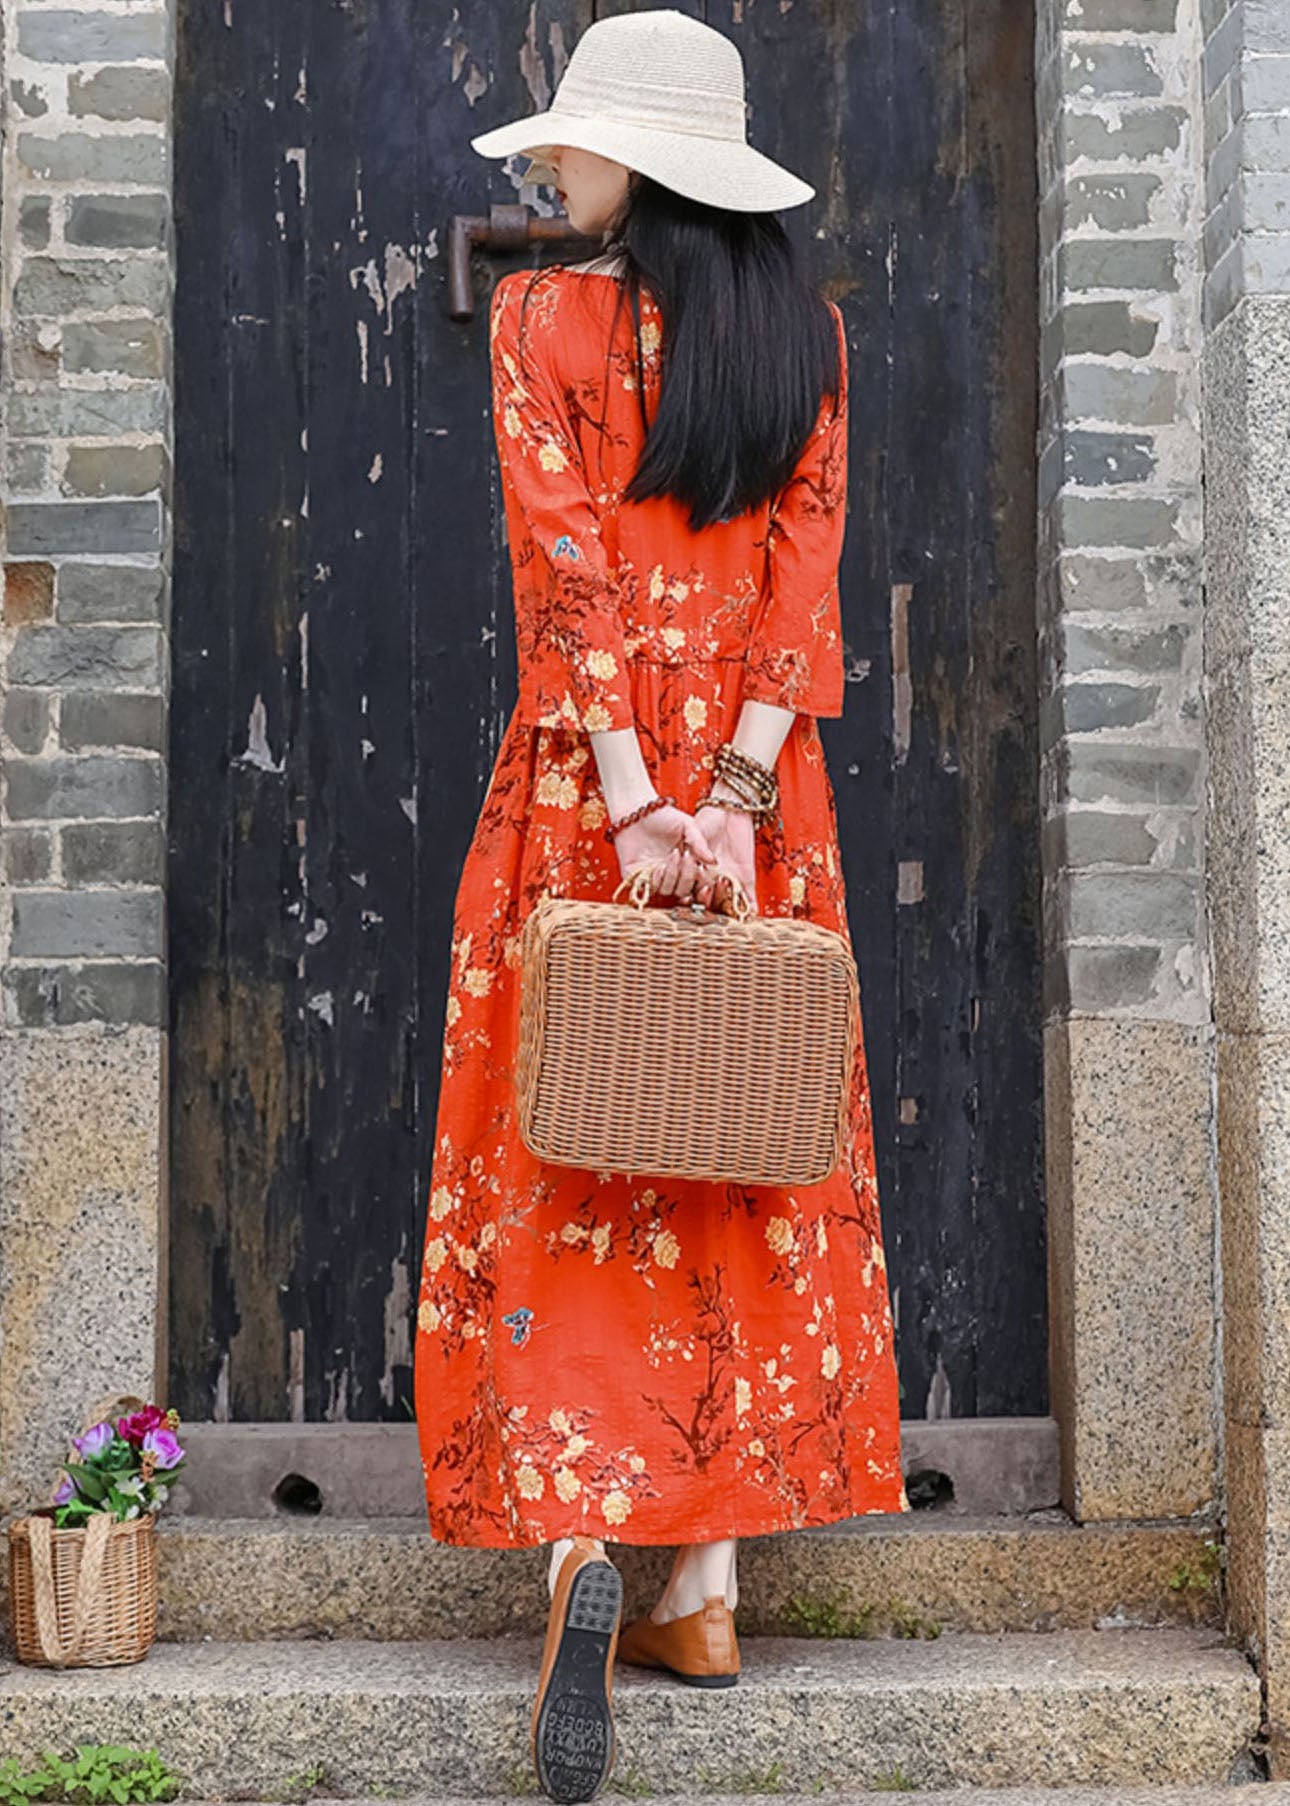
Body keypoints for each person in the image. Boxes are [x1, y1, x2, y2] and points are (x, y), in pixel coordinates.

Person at [414, 10, 909, 1801]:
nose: (558, 171)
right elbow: (801, 580)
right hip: (757, 809)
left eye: (581, 145)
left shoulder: (546, 320)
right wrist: (729, 799)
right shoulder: (806, 339)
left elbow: (563, 577)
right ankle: (699, 1585)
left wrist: (629, 798)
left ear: (643, 165)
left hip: (587, 792)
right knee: (742, 1146)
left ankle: (583, 1542)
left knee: (572, 1140)